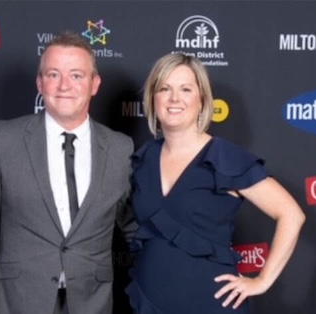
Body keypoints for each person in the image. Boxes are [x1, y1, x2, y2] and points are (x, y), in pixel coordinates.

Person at [0, 31, 137, 314]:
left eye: (77, 75)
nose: (65, 85)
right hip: (19, 303)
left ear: (95, 84)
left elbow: (136, 230)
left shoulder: (120, 148)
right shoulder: (2, 140)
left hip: (92, 304)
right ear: (40, 83)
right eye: (54, 74)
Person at [125, 53, 306, 313]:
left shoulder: (223, 157)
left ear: (202, 100)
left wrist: (263, 281)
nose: (174, 98)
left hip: (210, 303)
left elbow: (291, 214)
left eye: (185, 89)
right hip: (150, 301)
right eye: (165, 88)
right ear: (153, 99)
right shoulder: (145, 158)